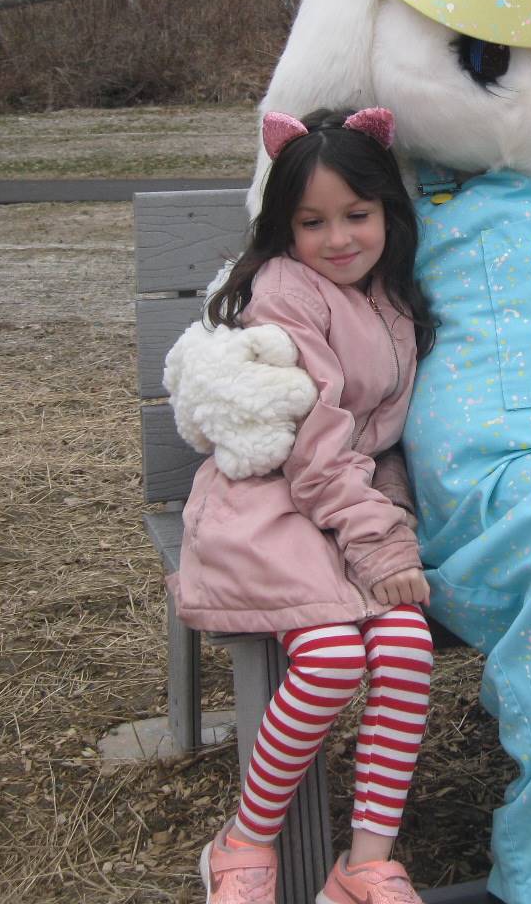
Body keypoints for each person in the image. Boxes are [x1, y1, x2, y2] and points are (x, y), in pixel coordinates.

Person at [172, 108, 439, 904]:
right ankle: (242, 842)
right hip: (273, 508)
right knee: (327, 660)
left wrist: (389, 508)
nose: (339, 238)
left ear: (389, 208)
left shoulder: (391, 296)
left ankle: (363, 862)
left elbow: (378, 440)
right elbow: (316, 451)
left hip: (344, 507)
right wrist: (382, 544)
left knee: (405, 650)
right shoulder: (289, 293)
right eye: (312, 222)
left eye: (358, 215)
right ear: (284, 228)